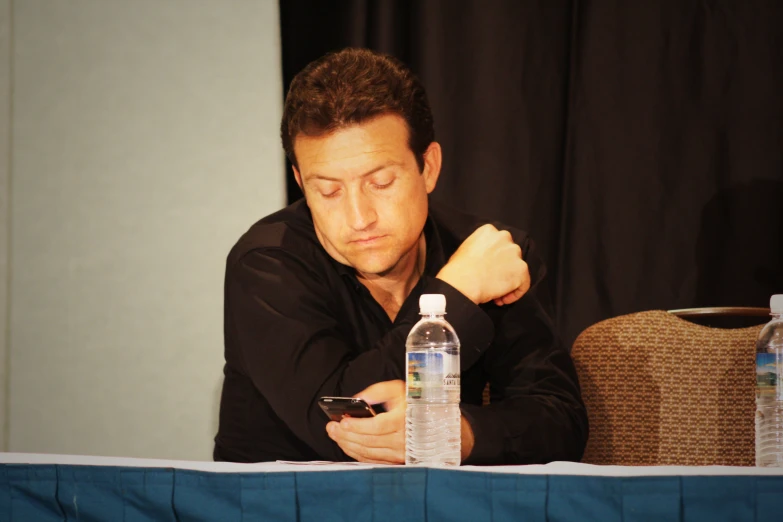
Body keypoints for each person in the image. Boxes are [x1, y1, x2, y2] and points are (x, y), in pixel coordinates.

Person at [213, 48, 587, 465]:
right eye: (329, 191)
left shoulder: (490, 255)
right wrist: (456, 294)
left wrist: (458, 435)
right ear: (301, 182)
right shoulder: (267, 264)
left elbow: (560, 422)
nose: (359, 218)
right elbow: (335, 426)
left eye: (381, 182)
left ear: (428, 167)